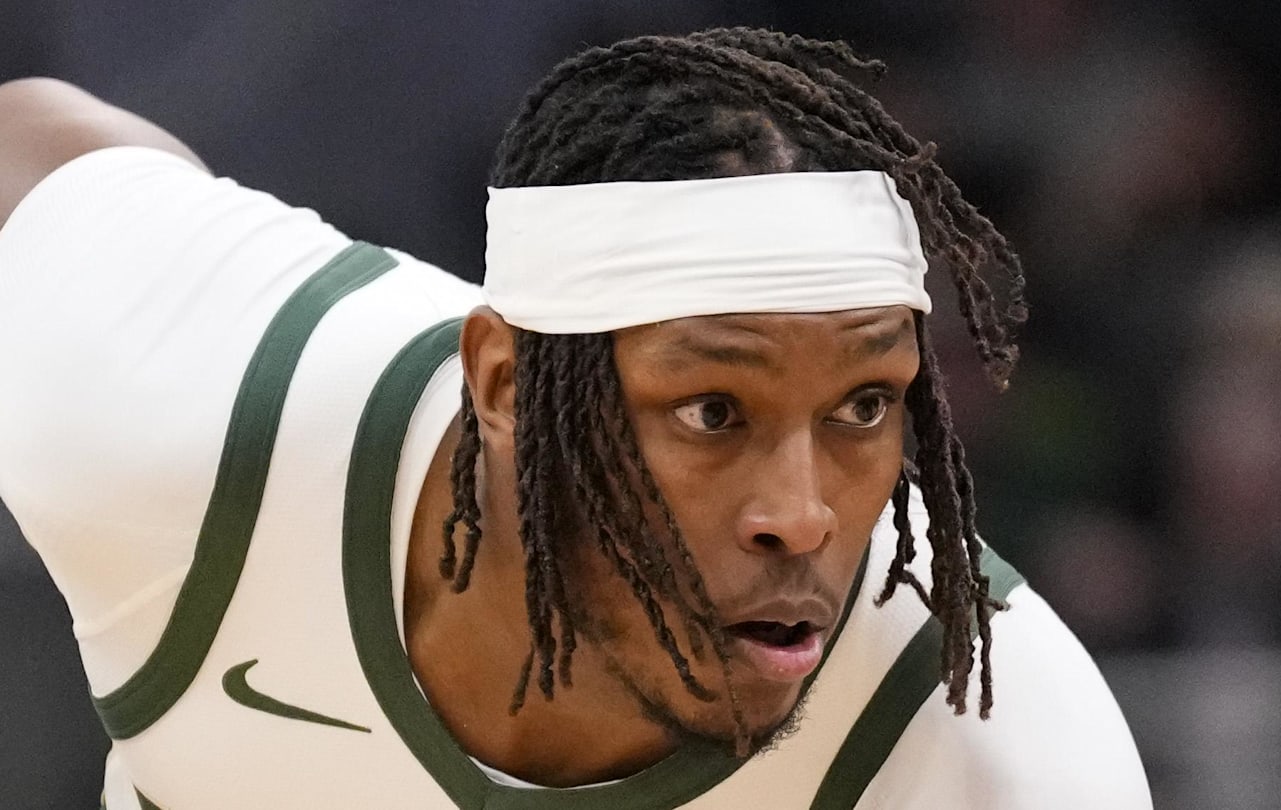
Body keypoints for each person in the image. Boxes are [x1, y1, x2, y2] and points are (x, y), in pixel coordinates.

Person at [0, 28, 1150, 809]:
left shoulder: (987, 745)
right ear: (501, 386)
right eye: (713, 410)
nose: (802, 518)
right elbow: (32, 145)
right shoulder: (195, 420)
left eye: (862, 405)